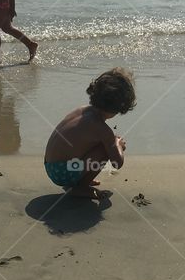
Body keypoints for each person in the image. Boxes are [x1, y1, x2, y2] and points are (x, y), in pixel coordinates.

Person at [43, 68, 135, 199]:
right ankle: (81, 187)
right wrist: (118, 144)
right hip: (62, 172)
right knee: (105, 148)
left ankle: (79, 179)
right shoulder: (102, 129)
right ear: (121, 107)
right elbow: (117, 163)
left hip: (50, 165)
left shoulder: (81, 110)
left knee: (97, 143)